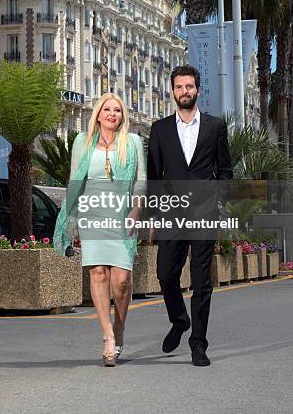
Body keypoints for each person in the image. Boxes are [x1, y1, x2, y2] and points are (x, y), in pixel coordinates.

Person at [147, 65, 232, 366]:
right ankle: (179, 320)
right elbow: (154, 176)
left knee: (200, 280)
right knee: (165, 274)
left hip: (204, 213)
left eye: (190, 86)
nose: (185, 91)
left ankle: (198, 343)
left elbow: (225, 171)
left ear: (198, 90)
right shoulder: (160, 129)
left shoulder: (215, 127)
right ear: (172, 91)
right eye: (179, 87)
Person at [54, 93, 146, 367]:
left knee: (122, 280)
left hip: (121, 214)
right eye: (107, 109)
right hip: (91, 212)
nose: (112, 114)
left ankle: (119, 327)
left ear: (122, 116)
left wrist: (136, 210)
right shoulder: (82, 141)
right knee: (97, 272)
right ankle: (107, 336)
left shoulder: (132, 142)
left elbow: (141, 180)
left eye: (117, 110)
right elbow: (75, 181)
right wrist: (72, 217)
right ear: (98, 113)